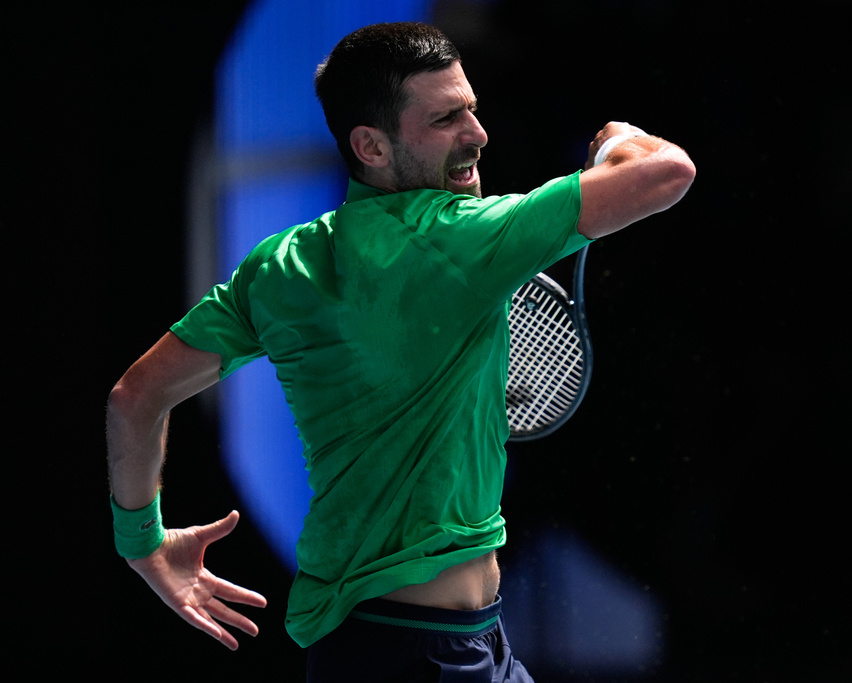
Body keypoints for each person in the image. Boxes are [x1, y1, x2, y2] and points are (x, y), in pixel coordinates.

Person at [106, 21, 695, 682]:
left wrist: (143, 544)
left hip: (413, 644)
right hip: (421, 655)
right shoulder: (463, 239)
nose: (477, 134)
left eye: (471, 108)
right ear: (372, 146)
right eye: (445, 119)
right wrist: (619, 138)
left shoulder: (278, 268)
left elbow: (135, 396)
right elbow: (667, 172)